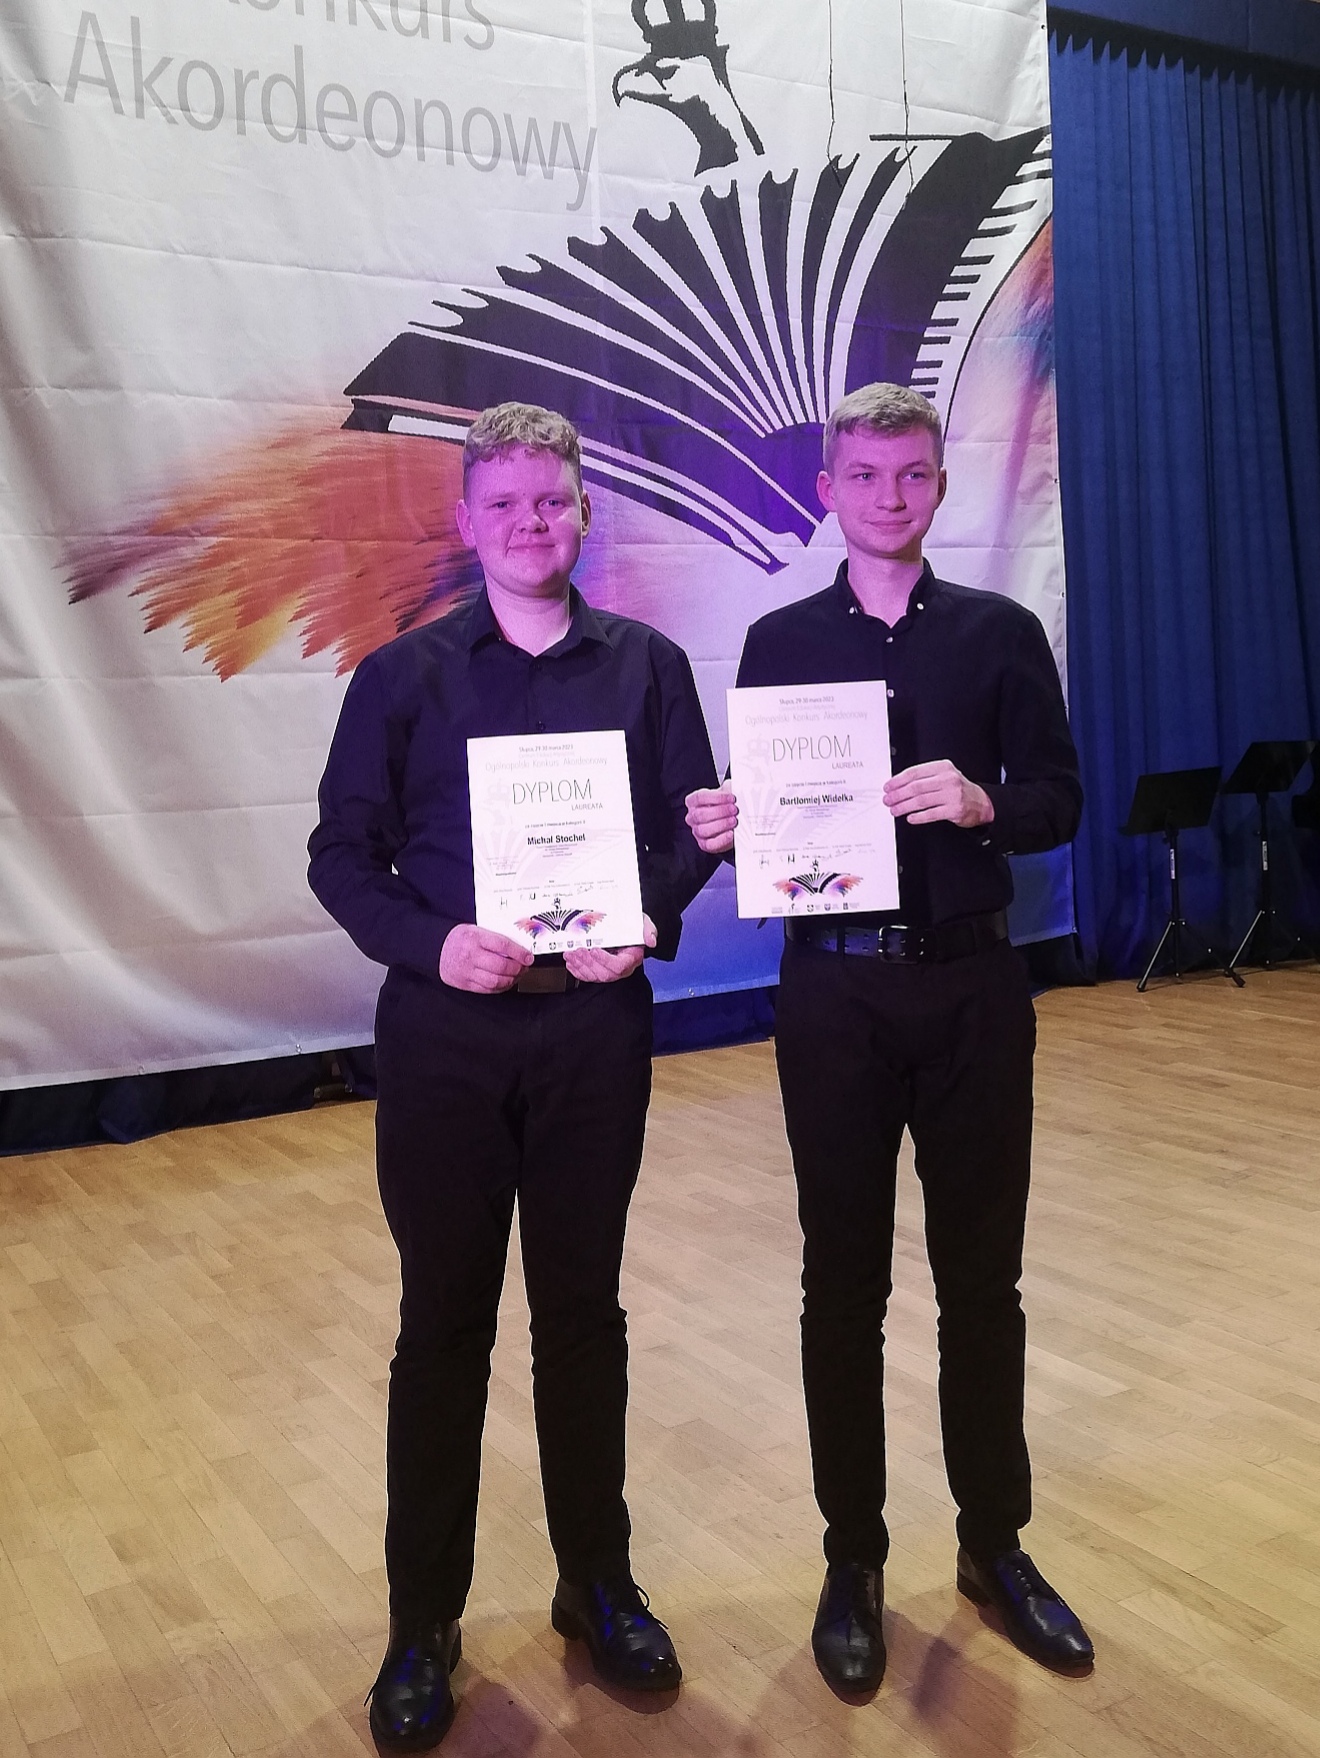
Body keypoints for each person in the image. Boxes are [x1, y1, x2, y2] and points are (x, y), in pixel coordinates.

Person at [309, 402, 718, 1750]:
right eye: (507, 504)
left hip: (595, 1034)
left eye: (554, 500)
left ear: (583, 509)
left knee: (583, 1315)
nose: (532, 523)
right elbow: (340, 857)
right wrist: (433, 942)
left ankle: (595, 1582)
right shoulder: (401, 677)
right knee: (443, 1327)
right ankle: (422, 1620)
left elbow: (688, 837)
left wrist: (648, 913)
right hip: (446, 1040)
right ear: (468, 520)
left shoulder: (651, 668)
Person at [685, 383, 1093, 1691]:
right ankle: (852, 1557)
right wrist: (732, 825)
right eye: (864, 476)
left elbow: (1060, 799)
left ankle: (994, 1544)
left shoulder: (1000, 631)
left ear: (941, 484)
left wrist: (982, 801)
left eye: (912, 474)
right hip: (835, 995)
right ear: (829, 490)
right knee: (841, 1284)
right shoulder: (779, 642)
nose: (889, 496)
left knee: (984, 1283)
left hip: (974, 987)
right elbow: (766, 815)